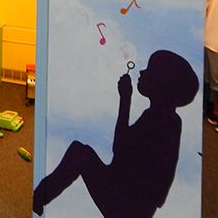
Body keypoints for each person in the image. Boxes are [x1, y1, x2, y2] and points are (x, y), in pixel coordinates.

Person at [32, 50, 199, 217]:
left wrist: (125, 99)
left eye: (149, 70)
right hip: (126, 194)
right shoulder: (165, 119)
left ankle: (38, 199)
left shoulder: (162, 120)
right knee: (80, 152)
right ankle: (39, 198)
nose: (142, 72)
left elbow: (120, 148)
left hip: (127, 203)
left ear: (162, 83)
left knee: (79, 154)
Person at [205, 0, 218, 126]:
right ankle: (215, 113)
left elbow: (205, 10)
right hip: (216, 45)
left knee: (210, 80)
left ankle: (212, 110)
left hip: (208, 42)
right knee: (216, 84)